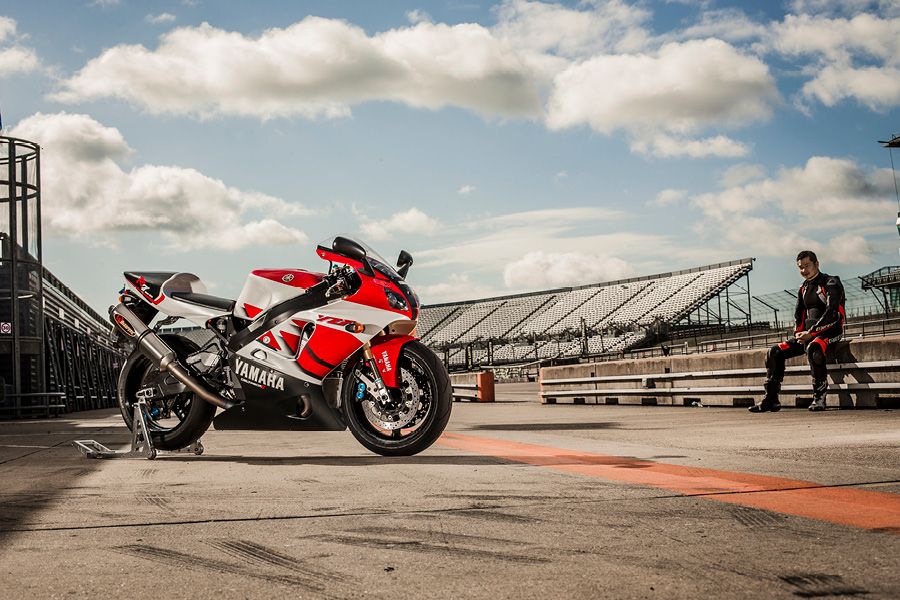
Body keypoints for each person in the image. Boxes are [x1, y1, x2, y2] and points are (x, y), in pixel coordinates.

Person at [750, 250, 846, 413]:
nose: (804, 270)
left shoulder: (830, 282)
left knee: (814, 348)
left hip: (831, 332)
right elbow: (798, 316)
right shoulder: (803, 288)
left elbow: (833, 313)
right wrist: (798, 334)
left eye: (807, 266)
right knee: (774, 352)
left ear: (816, 264)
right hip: (809, 335)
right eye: (800, 267)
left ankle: (819, 398)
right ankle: (771, 399)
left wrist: (812, 333)